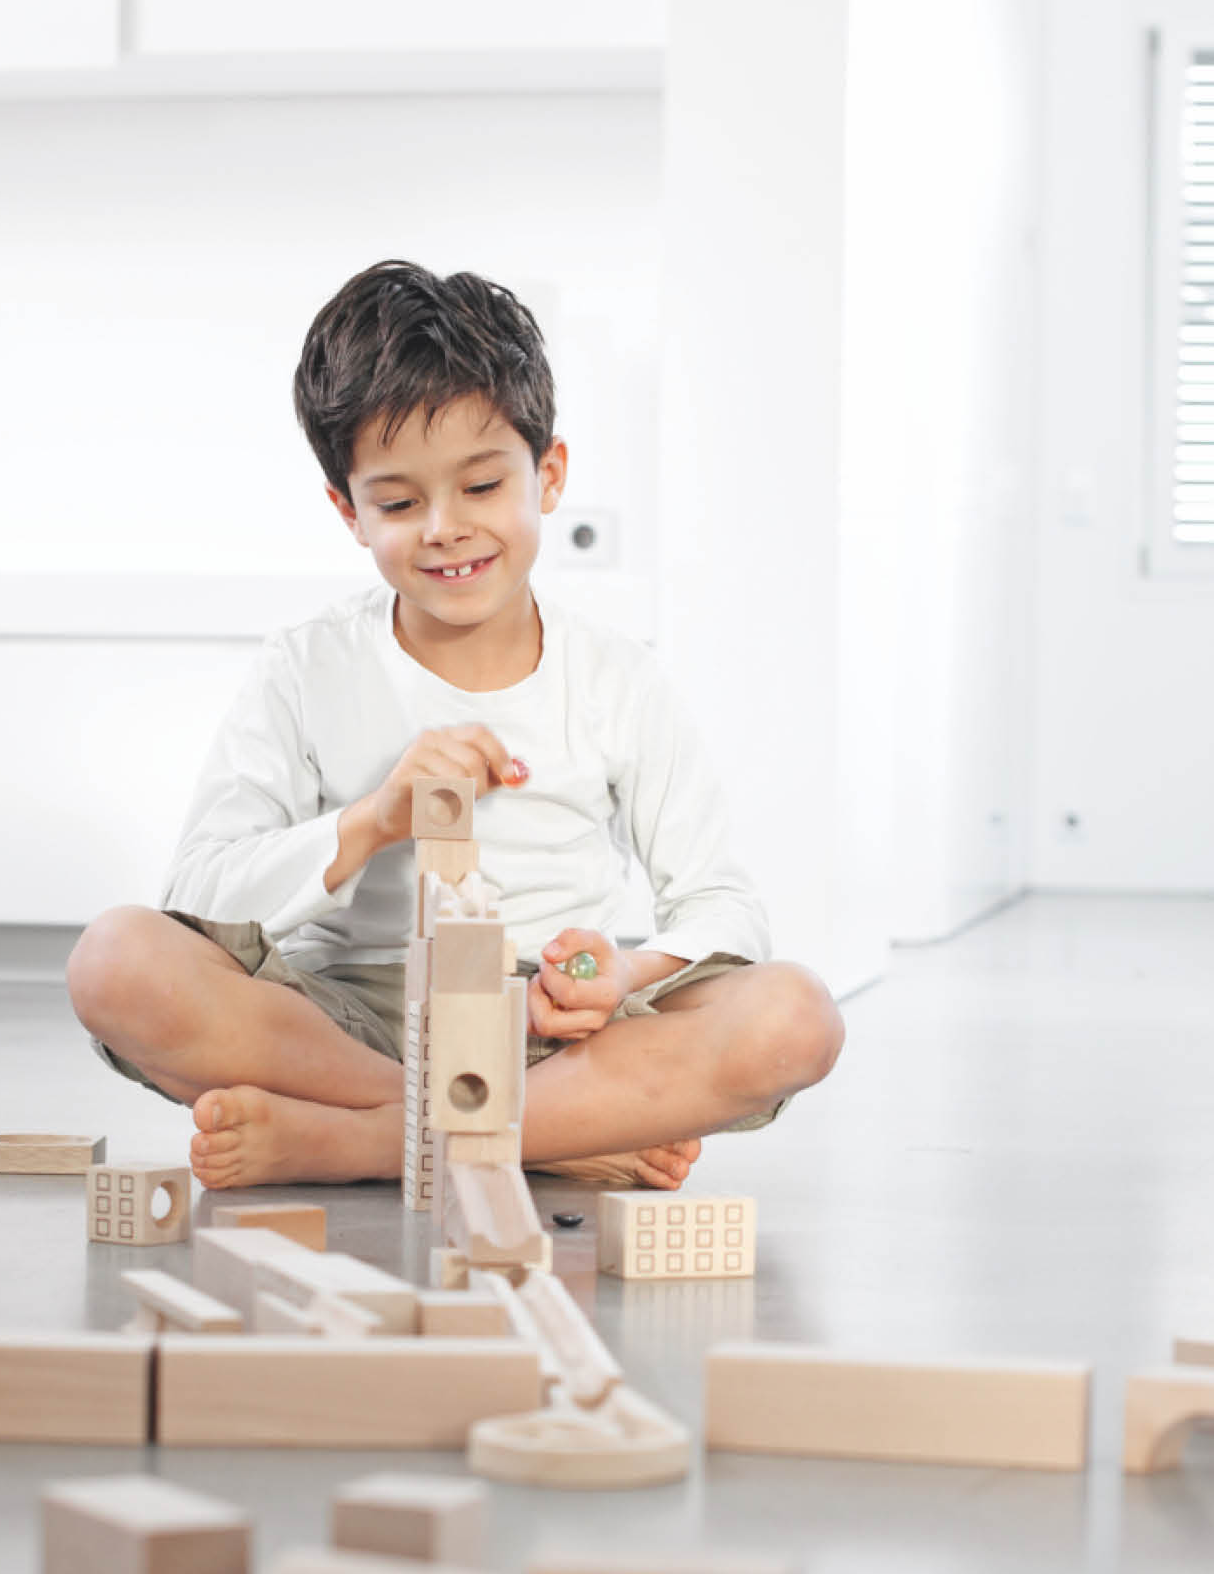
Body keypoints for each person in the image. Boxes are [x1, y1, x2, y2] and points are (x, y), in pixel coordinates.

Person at [68, 260, 843, 1192]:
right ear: (348, 512)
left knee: (796, 1014)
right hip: (340, 1021)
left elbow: (719, 903)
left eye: (480, 486)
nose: (444, 528)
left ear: (547, 475)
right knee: (116, 959)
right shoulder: (306, 664)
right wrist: (372, 819)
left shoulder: (616, 677)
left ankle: (363, 1142)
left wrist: (624, 970)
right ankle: (519, 1140)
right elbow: (198, 890)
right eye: (398, 503)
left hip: (547, 1039)